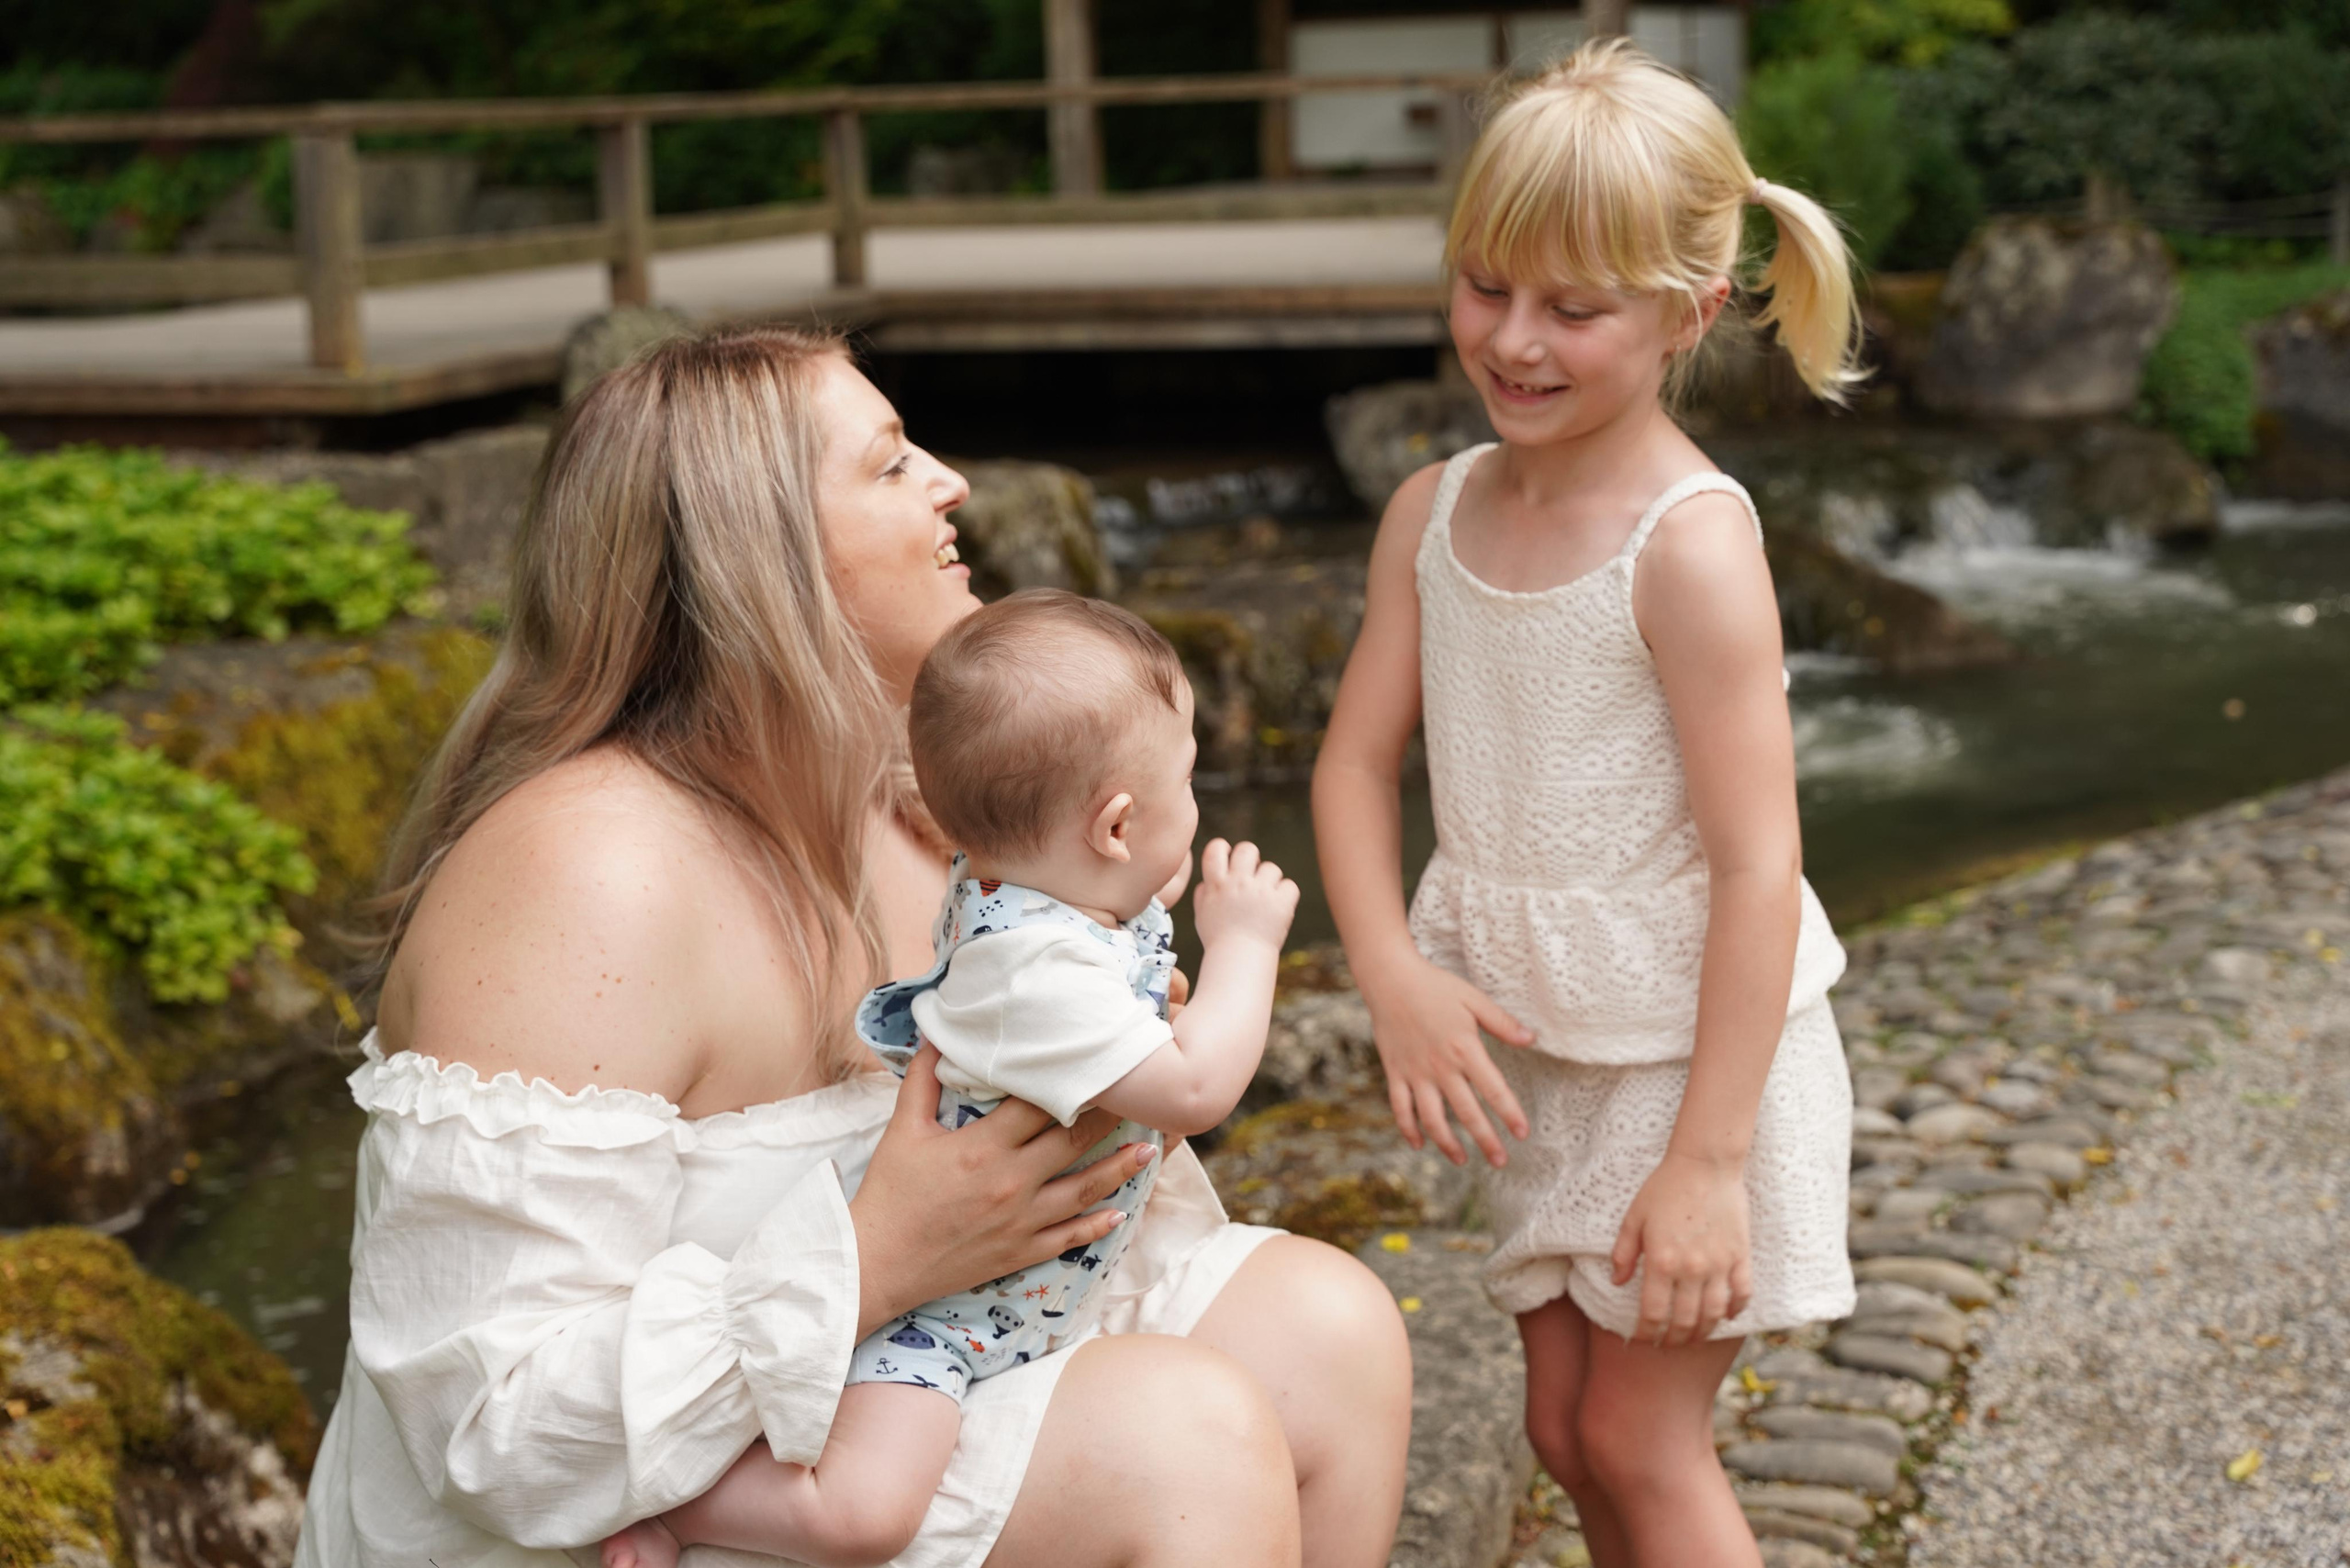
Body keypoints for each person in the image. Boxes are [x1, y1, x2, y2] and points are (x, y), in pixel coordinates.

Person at [293, 326, 1411, 1568]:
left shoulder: (917, 810)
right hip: (621, 1512)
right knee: (1184, 1440)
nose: (950, 483)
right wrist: (876, 1253)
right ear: (755, 559)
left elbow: (1047, 1194)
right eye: (888, 466)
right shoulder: (584, 873)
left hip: (889, 1388)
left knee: (1332, 1326)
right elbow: (487, 1425)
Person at [1312, 39, 1859, 1568]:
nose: (1515, 338)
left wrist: (1704, 1162)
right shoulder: (1433, 512)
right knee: (1562, 1427)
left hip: (1701, 1065)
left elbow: (1760, 866)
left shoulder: (1687, 547)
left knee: (1636, 1432)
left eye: (1574, 307)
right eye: (1488, 285)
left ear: (1686, 315)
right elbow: (1354, 765)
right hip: (1543, 1051)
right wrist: (1397, 975)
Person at [600, 591, 1300, 1567]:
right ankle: (679, 1506)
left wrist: (1154, 872)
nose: (1199, 799)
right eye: (1187, 779)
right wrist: (1247, 945)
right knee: (863, 1512)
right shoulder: (1028, 973)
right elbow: (1197, 1089)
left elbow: (1121, 904)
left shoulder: (1037, 878)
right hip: (942, 1312)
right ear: (1114, 824)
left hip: (1021, 1299)